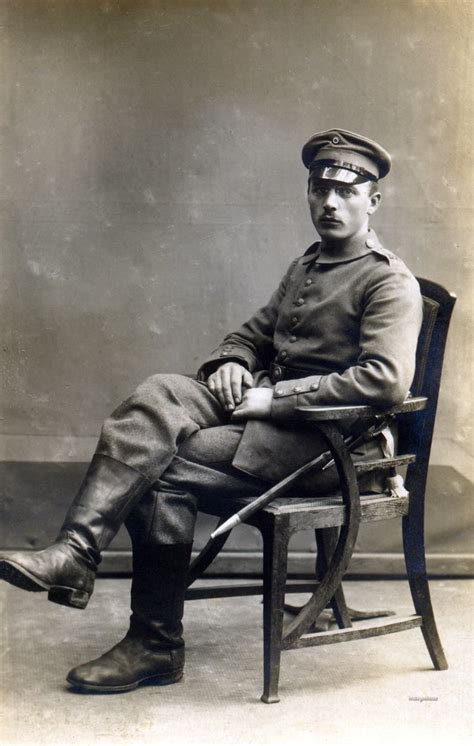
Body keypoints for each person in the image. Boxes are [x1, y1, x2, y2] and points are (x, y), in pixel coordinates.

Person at [0, 129, 423, 693]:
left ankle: (154, 643)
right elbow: (248, 335)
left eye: (346, 192)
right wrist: (233, 361)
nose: (329, 203)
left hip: (329, 446)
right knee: (157, 394)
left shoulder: (387, 280)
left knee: (160, 469)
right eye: (319, 189)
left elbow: (386, 382)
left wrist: (273, 398)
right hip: (266, 418)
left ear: (372, 201)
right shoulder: (308, 266)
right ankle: (76, 553)